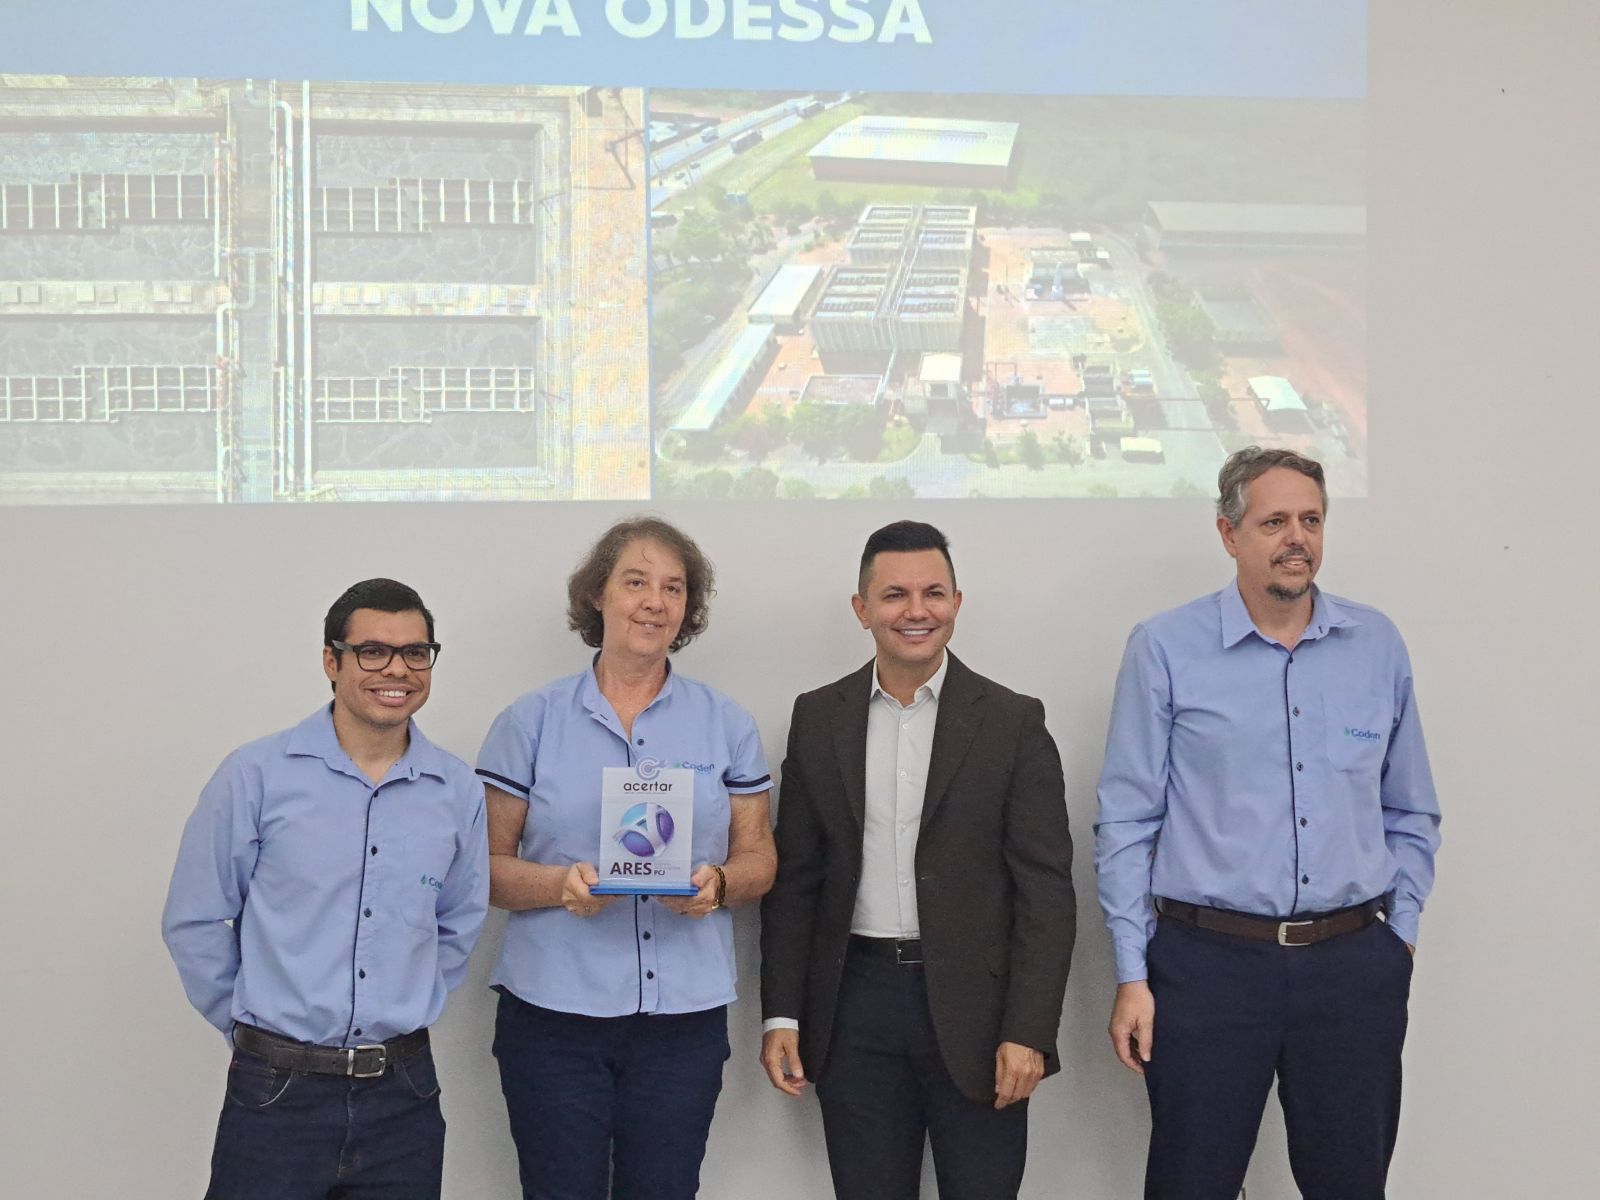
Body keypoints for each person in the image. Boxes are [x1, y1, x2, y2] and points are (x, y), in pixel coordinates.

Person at [1094, 447, 1442, 1199]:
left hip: (1351, 968)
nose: (1297, 539)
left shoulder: (1376, 644)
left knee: (1351, 1183)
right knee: (1192, 1183)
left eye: (1311, 520)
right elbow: (1126, 822)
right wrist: (1132, 972)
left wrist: (1400, 936)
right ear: (1229, 533)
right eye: (1274, 521)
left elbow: (1410, 807)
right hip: (1208, 967)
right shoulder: (1165, 648)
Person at [759, 520, 1076, 1200]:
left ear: (957, 603)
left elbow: (1045, 893)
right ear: (862, 609)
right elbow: (797, 883)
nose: (916, 610)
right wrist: (782, 1014)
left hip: (981, 1015)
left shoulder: (1012, 721)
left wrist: (1029, 1030)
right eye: (894, 594)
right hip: (854, 1008)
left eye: (933, 593)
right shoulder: (818, 717)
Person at [476, 517, 777, 1200]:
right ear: (597, 595)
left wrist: (719, 883)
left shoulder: (725, 722)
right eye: (636, 582)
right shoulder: (531, 720)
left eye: (673, 588)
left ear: (688, 608)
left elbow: (760, 857)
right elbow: (484, 868)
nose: (654, 602)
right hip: (553, 1020)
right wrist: (558, 885)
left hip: (683, 1024)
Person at [162, 578, 489, 1200]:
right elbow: (195, 919)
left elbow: (458, 922)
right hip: (276, 1092)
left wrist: (408, 1002)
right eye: (373, 651)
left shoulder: (455, 789)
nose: (397, 669)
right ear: (331, 661)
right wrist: (254, 1030)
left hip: (405, 1095)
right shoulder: (256, 775)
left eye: (415, 652)